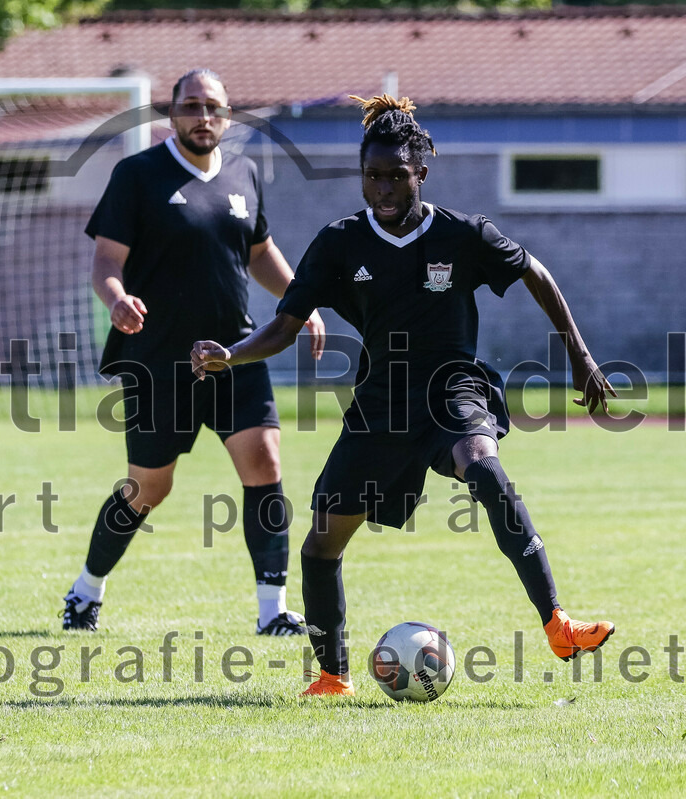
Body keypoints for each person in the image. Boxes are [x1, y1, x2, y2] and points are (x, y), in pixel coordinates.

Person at [192, 94, 616, 696]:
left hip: (454, 388)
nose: (384, 188)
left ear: (421, 172)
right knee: (322, 541)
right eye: (373, 177)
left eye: (396, 176)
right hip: (381, 404)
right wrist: (231, 354)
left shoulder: (463, 234)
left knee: (485, 472)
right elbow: (285, 327)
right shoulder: (340, 244)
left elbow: (536, 274)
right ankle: (332, 676)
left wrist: (580, 354)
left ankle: (557, 623)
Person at [61, 68, 326, 636]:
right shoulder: (137, 175)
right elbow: (106, 260)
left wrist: (303, 302)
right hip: (157, 360)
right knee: (149, 488)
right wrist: (116, 299)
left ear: (227, 116)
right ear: (171, 113)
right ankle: (85, 591)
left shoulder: (245, 172)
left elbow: (260, 253)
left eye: (213, 107)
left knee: (265, 463)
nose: (203, 116)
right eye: (191, 106)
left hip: (235, 353)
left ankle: (272, 611)